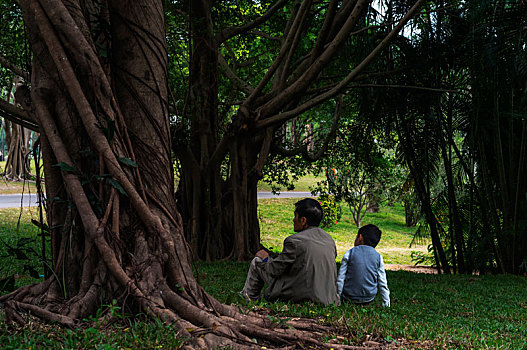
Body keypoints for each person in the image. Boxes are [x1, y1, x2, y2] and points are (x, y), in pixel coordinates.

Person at [241, 198, 339, 305]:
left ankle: (247, 301)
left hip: (300, 296)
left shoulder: (294, 241)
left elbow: (274, 269)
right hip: (329, 300)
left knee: (257, 261)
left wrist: (265, 258)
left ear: (303, 220)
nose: (293, 220)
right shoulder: (329, 241)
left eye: (295, 216)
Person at [337, 224, 390, 307]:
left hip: (349, 297)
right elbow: (383, 282)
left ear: (360, 237)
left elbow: (341, 279)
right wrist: (386, 303)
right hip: (368, 298)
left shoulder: (349, 253)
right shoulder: (378, 257)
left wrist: (337, 298)